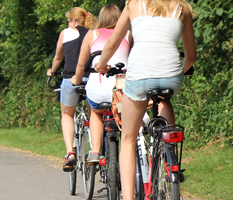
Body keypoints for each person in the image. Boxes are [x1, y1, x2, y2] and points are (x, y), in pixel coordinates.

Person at [94, 0, 197, 198]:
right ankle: (169, 155)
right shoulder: (182, 9)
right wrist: (175, 73)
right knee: (164, 99)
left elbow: (113, 43)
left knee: (128, 138)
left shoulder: (133, 5)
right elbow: (191, 57)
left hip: (139, 76)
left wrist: (102, 64)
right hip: (171, 76)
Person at [70, 4, 132, 164]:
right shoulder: (127, 35)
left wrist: (76, 80)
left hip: (99, 89)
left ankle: (95, 151)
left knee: (96, 111)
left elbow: (81, 64)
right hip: (121, 90)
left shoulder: (92, 34)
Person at [47, 7, 95, 172]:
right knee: (94, 114)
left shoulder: (65, 33)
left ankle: (70, 153)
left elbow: (58, 57)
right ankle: (94, 150)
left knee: (67, 114)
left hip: (70, 79)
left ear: (74, 21)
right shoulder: (93, 32)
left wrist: (52, 71)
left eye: (69, 21)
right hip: (92, 78)